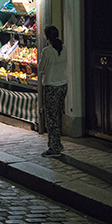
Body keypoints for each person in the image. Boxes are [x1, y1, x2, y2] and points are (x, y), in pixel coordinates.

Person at [38, 25, 68, 157]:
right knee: (58, 115)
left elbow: (41, 68)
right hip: (63, 84)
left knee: (51, 118)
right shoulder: (64, 48)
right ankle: (58, 144)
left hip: (51, 86)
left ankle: (54, 147)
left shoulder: (47, 51)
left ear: (46, 37)